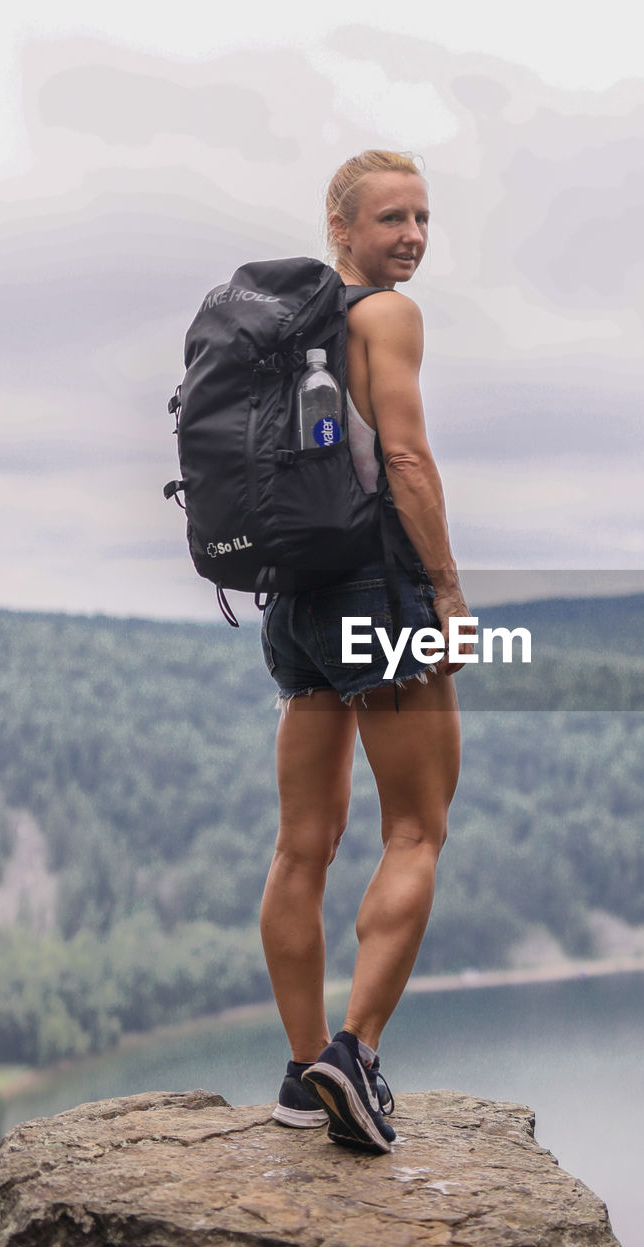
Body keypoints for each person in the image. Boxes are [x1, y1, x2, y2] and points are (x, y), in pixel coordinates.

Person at [258, 151, 469, 1154]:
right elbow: (405, 457)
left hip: (294, 597)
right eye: (391, 218)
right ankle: (357, 1050)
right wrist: (449, 592)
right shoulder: (383, 317)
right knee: (416, 830)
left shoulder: (280, 322)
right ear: (339, 227)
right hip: (377, 591)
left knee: (302, 844)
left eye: (423, 217)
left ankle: (303, 1074)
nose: (413, 237)